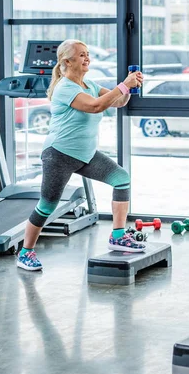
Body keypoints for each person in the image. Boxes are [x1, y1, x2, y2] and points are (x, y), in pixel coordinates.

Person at [16, 39, 145, 271]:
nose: (87, 58)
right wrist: (123, 86)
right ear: (67, 61)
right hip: (59, 155)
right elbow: (95, 106)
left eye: (87, 54)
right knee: (47, 206)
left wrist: (131, 87)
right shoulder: (65, 88)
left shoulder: (90, 85)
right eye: (82, 55)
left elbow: (118, 101)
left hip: (85, 155)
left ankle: (117, 235)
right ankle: (25, 252)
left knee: (121, 179)